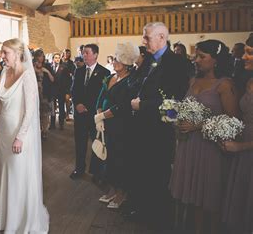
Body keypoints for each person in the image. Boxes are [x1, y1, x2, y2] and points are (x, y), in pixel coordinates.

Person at [169, 40, 239, 234]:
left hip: (209, 148)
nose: (196, 60)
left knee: (208, 199)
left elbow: (233, 122)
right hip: (188, 146)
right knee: (192, 198)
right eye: (196, 56)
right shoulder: (192, 81)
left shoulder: (224, 85)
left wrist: (199, 125)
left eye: (202, 57)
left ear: (215, 60)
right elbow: (185, 109)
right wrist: (177, 121)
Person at [0, 38, 49, 233]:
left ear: (18, 54)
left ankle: (22, 219)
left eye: (6, 53)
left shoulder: (27, 76)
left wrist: (20, 136)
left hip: (21, 134)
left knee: (19, 174)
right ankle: (8, 213)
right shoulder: (4, 72)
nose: (2, 56)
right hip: (3, 131)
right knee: (6, 173)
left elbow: (30, 111)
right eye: (2, 52)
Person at [129, 22, 189, 229]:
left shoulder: (177, 63)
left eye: (147, 37)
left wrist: (143, 105)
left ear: (162, 37)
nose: (143, 41)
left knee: (159, 173)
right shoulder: (147, 61)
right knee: (142, 171)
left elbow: (176, 100)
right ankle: (143, 209)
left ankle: (159, 217)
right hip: (141, 128)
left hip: (160, 130)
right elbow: (135, 84)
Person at [95, 43, 139, 210]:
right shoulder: (110, 77)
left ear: (126, 63)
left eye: (117, 60)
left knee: (119, 158)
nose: (113, 62)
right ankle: (112, 189)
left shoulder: (130, 82)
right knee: (107, 157)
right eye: (114, 59)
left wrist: (102, 115)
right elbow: (101, 97)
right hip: (105, 124)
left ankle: (122, 194)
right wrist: (99, 115)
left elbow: (122, 106)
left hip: (120, 125)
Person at [222, 35, 253, 234]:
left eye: (249, 53)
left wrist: (241, 146)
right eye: (244, 52)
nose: (243, 57)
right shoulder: (248, 79)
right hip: (244, 151)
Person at [70, 44, 111, 180]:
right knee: (80, 143)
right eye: (83, 53)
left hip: (94, 115)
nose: (84, 55)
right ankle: (79, 168)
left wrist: (88, 106)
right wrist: (77, 104)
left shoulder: (105, 73)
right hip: (80, 113)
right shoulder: (79, 71)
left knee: (96, 142)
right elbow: (74, 90)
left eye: (87, 53)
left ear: (95, 55)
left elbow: (103, 94)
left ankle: (96, 172)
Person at [33, 49, 54, 138]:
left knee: (45, 113)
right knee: (36, 113)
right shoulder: (31, 66)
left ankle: (44, 130)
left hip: (44, 92)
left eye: (42, 56)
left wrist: (47, 71)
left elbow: (52, 79)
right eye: (39, 56)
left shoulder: (47, 66)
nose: (40, 58)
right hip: (34, 93)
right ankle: (38, 130)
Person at [51, 52, 71, 130]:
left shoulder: (64, 67)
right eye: (55, 58)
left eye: (58, 58)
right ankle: (52, 124)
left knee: (61, 108)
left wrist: (67, 92)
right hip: (53, 90)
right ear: (53, 59)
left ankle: (61, 124)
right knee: (53, 108)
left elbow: (68, 80)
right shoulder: (50, 67)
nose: (57, 59)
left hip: (61, 90)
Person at [62, 49, 76, 121]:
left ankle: (67, 114)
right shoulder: (61, 61)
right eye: (66, 53)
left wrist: (70, 74)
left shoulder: (71, 63)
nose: (67, 55)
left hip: (68, 83)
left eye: (68, 53)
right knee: (61, 100)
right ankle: (62, 114)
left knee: (67, 99)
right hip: (61, 84)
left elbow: (73, 73)